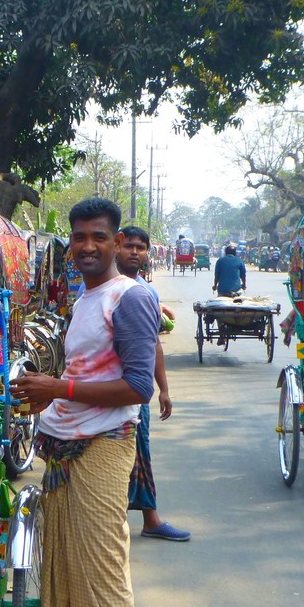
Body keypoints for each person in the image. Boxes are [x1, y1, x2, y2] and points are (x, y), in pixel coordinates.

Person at [11, 197, 158, 607]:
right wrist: (50, 397)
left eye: (99, 236)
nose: (87, 246)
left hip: (104, 447)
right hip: (63, 448)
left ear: (117, 241)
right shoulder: (84, 299)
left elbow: (138, 387)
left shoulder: (130, 296)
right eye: (79, 237)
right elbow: (85, 373)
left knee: (100, 569)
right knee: (65, 565)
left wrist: (59, 386)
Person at [115, 226, 190, 542]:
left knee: (138, 450)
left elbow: (154, 345)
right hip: (102, 387)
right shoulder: (98, 286)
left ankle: (149, 518)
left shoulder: (147, 292)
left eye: (141, 247)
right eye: (129, 246)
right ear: (117, 247)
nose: (135, 252)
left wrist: (165, 389)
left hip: (134, 389)